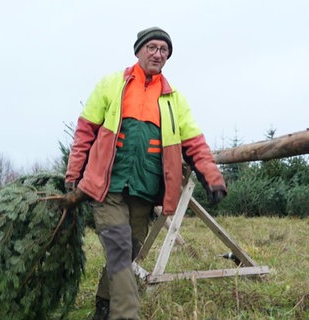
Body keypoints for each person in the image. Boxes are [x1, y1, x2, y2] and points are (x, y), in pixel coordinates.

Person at [61, 27, 227, 320]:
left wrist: (212, 177)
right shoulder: (112, 84)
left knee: (127, 253)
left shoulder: (173, 100)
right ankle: (126, 314)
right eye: (152, 47)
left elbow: (195, 142)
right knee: (118, 245)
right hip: (107, 187)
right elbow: (85, 131)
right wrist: (74, 173)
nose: (158, 54)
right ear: (138, 51)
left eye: (164, 50)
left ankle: (103, 306)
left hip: (144, 192)